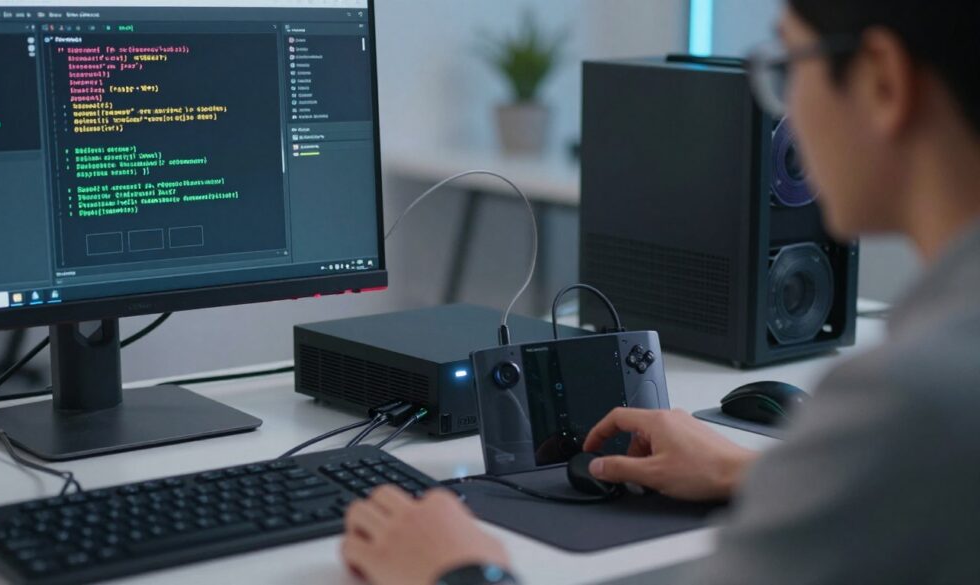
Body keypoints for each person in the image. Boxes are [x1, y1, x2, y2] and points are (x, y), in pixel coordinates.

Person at [341, 0, 980, 583]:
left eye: (786, 65)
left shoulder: (917, 397)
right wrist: (751, 473)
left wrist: (459, 571)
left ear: (882, 82)